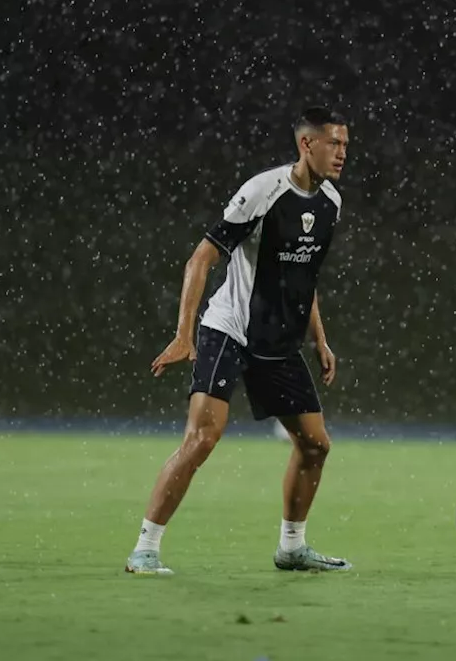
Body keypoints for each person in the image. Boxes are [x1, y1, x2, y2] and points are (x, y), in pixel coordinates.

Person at [125, 107, 352, 574]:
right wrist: (183, 335)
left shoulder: (331, 201)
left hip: (279, 343)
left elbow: (304, 278)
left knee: (315, 446)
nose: (342, 153)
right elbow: (200, 260)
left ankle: (292, 547)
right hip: (229, 329)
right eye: (334, 143)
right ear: (306, 145)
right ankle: (144, 549)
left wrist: (321, 340)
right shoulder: (262, 192)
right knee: (202, 439)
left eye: (346, 145)